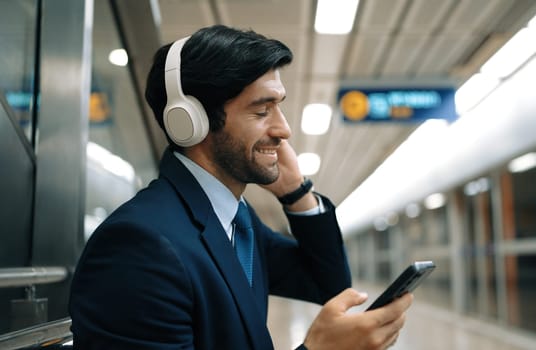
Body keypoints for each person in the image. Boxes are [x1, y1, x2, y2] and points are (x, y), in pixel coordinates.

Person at [69, 24, 413, 349]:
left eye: (278, 107)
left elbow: (329, 285)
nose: (284, 130)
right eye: (262, 111)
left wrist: (296, 193)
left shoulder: (238, 223)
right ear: (190, 120)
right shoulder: (139, 246)